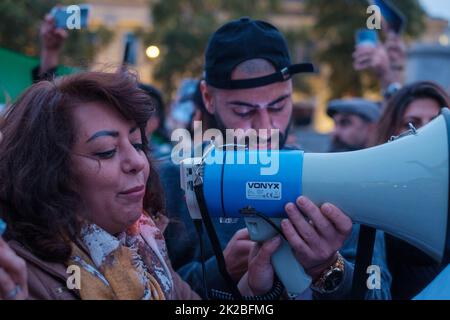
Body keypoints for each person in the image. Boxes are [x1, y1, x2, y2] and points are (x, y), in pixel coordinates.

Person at [161, 17, 391, 299]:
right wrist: (219, 271)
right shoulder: (171, 183)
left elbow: (380, 291)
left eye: (279, 106)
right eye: (244, 110)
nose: (265, 127)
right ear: (208, 97)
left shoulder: (334, 179)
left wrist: (328, 268)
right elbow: (142, 285)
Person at [0, 70, 279, 300]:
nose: (138, 162)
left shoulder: (144, 241)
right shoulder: (19, 277)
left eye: (137, 144)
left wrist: (252, 289)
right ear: (51, 171)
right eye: (106, 151)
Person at [371, 81, 450, 300]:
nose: (426, 133)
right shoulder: (374, 196)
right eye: (412, 124)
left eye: (436, 123)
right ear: (391, 131)